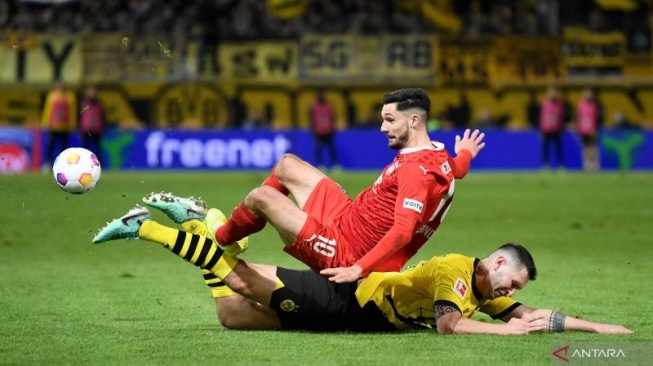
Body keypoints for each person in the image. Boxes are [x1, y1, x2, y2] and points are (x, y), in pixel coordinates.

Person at [92, 205, 631, 335]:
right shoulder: (454, 273)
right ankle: (147, 228)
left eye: (512, 291)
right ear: (495, 264)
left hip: (360, 319)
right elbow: (449, 325)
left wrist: (597, 328)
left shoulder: (486, 290)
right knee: (238, 280)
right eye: (510, 282)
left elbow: (531, 314)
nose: (509, 295)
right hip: (350, 298)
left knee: (232, 314)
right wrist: (509, 335)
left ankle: (208, 220)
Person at [144, 88, 486, 284]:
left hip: (346, 251)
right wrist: (466, 154)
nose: (382, 128)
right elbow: (456, 170)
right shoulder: (437, 153)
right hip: (348, 218)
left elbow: (401, 231)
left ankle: (219, 240)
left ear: (414, 121)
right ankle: (239, 232)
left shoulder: (414, 171)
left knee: (261, 197)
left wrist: (358, 268)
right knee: (287, 165)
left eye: (389, 120)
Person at [41, 81, 77, 169]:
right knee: (50, 146)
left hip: (65, 127)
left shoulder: (70, 97)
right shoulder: (52, 96)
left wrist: (72, 124)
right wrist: (45, 122)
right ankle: (47, 163)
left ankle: (63, 164)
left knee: (64, 147)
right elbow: (48, 110)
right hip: (53, 127)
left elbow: (72, 112)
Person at [309, 88, 339, 169]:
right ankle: (320, 164)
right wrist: (314, 129)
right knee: (319, 149)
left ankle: (335, 165)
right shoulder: (313, 106)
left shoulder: (328, 105)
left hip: (328, 131)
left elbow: (333, 117)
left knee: (331, 148)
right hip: (318, 131)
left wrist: (332, 127)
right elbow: (311, 118)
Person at [576, 87, 603, 172]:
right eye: (586, 93)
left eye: (589, 93)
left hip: (593, 130)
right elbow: (578, 118)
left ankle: (595, 165)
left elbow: (598, 118)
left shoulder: (596, 105)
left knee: (594, 148)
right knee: (586, 148)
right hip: (583, 130)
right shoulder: (580, 105)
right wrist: (578, 128)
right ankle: (587, 166)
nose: (587, 95)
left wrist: (595, 129)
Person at [539, 86, 565, 169]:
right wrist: (542, 128)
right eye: (551, 92)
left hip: (557, 129)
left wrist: (561, 127)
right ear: (548, 94)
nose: (552, 94)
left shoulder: (559, 104)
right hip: (547, 129)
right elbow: (542, 117)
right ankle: (545, 164)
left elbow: (561, 117)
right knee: (546, 148)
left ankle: (560, 164)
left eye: (554, 93)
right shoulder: (545, 104)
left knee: (558, 148)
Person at [79, 85, 106, 161]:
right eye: (90, 91)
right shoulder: (83, 103)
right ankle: (83, 163)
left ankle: (98, 164)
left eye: (93, 91)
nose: (92, 93)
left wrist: (103, 127)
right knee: (85, 149)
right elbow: (79, 115)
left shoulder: (99, 103)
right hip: (86, 130)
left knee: (97, 149)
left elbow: (103, 116)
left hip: (97, 130)